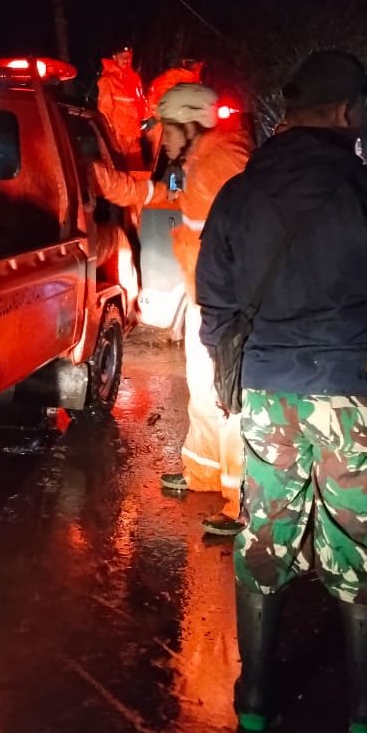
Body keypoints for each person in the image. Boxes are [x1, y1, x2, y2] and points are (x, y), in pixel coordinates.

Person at [196, 51, 367, 733]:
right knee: (357, 533)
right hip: (351, 390)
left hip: (268, 389)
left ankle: (255, 696)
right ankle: (366, 713)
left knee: (267, 525)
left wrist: (229, 372)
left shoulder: (239, 193)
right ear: (344, 112)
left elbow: (214, 300)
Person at [92, 83, 253, 536]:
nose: (160, 138)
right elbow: (167, 192)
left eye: (166, 127)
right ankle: (204, 473)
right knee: (204, 392)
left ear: (191, 124)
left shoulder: (226, 161)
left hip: (228, 304)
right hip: (206, 297)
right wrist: (112, 185)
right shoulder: (199, 161)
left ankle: (242, 500)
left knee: (229, 399)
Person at [96, 46, 147, 168]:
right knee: (120, 170)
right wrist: (110, 134)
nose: (126, 60)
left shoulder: (134, 79)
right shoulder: (107, 80)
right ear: (114, 57)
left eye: (129, 57)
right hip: (118, 136)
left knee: (137, 170)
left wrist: (144, 124)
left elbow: (140, 104)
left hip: (134, 134)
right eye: (122, 57)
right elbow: (104, 110)